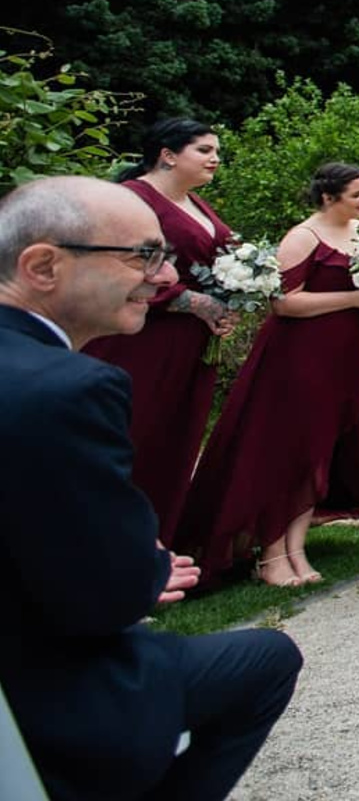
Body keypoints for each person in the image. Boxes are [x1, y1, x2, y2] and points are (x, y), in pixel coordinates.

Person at [0, 176, 302, 801]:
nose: (164, 277)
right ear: (43, 266)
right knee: (267, 660)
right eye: (142, 256)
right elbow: (106, 599)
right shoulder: (68, 388)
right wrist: (144, 570)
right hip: (40, 684)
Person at [176, 162, 359, 588]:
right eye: (356, 194)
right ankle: (271, 554)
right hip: (300, 354)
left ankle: (296, 547)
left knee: (320, 449)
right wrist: (355, 299)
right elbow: (284, 303)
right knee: (289, 449)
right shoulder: (303, 237)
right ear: (328, 197)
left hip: (348, 353)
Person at [82, 117, 241, 541]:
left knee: (174, 440)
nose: (215, 159)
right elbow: (112, 267)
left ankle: (156, 542)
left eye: (217, 151)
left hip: (192, 343)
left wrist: (235, 296)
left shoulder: (196, 203)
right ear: (168, 155)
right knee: (136, 434)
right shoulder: (132, 199)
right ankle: (108, 543)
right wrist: (193, 302)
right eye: (204, 150)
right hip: (141, 338)